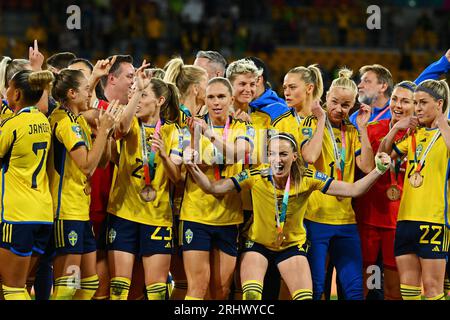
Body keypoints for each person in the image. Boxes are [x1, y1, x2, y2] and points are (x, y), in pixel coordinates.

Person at [185, 132, 391, 300]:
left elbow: (354, 190)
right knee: (251, 296)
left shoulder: (308, 179)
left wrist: (378, 171)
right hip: (258, 245)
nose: (277, 160)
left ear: (294, 156)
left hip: (291, 247)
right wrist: (192, 167)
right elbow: (213, 188)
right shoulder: (256, 176)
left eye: (283, 154)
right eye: (272, 154)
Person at [106, 69, 183, 300]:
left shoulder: (174, 132)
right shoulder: (130, 125)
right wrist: (137, 90)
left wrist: (163, 156)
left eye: (143, 97)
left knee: (157, 292)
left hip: (157, 217)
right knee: (119, 290)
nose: (136, 101)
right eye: (134, 96)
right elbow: (119, 128)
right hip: (123, 214)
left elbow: (177, 177)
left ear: (160, 101)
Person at [300, 68, 374, 300]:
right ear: (326, 97)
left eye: (345, 105)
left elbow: (368, 167)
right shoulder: (310, 123)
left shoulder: (352, 131)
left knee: (354, 289)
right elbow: (310, 157)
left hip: (346, 220)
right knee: (315, 287)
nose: (339, 109)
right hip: (315, 217)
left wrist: (363, 128)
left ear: (353, 106)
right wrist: (321, 118)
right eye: (334, 102)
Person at [48, 68, 120, 300]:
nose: (90, 94)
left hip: (81, 210)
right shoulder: (63, 122)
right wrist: (104, 130)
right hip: (65, 211)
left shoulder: (77, 120)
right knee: (67, 286)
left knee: (89, 283)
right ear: (71, 93)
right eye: (87, 89)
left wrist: (105, 134)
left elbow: (101, 163)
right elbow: (87, 166)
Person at [180, 77, 253, 300]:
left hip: (229, 217)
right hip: (196, 214)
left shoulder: (243, 126)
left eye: (221, 97)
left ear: (231, 99)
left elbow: (237, 154)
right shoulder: (191, 125)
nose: (216, 102)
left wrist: (209, 136)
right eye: (211, 97)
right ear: (205, 99)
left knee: (222, 290)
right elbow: (189, 162)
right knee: (197, 287)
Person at [379, 79, 450, 300]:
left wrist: (444, 125)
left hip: (435, 221)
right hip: (405, 219)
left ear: (439, 104)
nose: (417, 108)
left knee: (432, 288)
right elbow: (382, 158)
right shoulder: (414, 135)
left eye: (423, 103)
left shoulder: (447, 133)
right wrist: (396, 129)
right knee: (408, 290)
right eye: (415, 103)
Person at [354, 81, 417, 300]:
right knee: (362, 286)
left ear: (416, 105)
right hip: (368, 218)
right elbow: (370, 167)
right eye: (394, 99)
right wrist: (396, 128)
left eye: (405, 101)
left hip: (399, 223)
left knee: (393, 290)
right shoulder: (373, 130)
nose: (397, 105)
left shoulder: (423, 137)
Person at [0, 70, 54, 300]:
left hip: (17, 215)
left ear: (17, 93)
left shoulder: (13, 124)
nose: (6, 92)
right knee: (21, 285)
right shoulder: (43, 120)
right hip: (42, 214)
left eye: (9, 88)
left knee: (11, 288)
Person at [163, 57, 208, 299]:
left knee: (179, 281)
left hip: (176, 206)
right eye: (207, 84)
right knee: (184, 281)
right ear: (196, 89)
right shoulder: (183, 119)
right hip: (176, 206)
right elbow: (180, 171)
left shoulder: (185, 115)